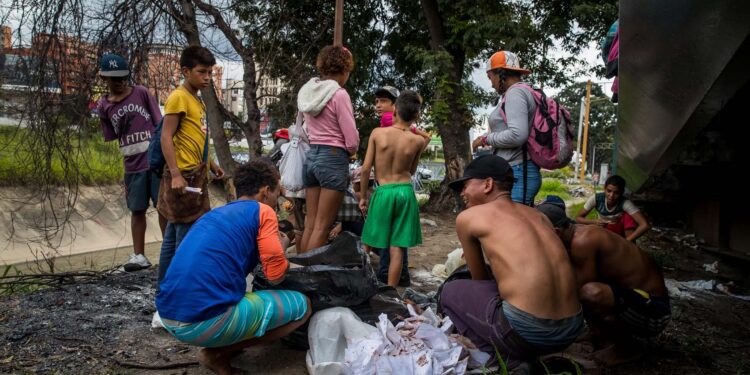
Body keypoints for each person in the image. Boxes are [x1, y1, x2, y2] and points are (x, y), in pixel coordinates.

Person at [156, 160, 310, 375]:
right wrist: (282, 247)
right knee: (303, 307)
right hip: (200, 323)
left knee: (241, 294)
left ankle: (222, 339)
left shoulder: (213, 215)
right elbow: (275, 276)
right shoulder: (264, 212)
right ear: (266, 192)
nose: (278, 199)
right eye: (277, 192)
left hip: (167, 314)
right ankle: (218, 353)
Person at [440, 155, 583, 369]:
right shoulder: (539, 216)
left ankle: (504, 360)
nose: (462, 193)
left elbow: (480, 281)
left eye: (465, 185)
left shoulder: (469, 217)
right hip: (572, 328)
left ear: (488, 184)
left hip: (528, 332)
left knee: (450, 292)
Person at [536, 197, 670, 365]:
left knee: (589, 292)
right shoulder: (573, 236)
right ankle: (597, 334)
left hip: (654, 312)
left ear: (555, 232)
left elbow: (576, 290)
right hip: (633, 301)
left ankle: (628, 348)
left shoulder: (583, 241)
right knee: (581, 286)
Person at [157, 46, 224, 289]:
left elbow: (196, 138)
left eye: (210, 72)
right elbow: (166, 137)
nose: (207, 77)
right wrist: (175, 174)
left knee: (175, 234)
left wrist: (212, 165)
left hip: (195, 174)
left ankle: (165, 290)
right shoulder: (178, 97)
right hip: (183, 177)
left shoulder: (196, 100)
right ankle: (176, 291)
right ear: (186, 71)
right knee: (185, 239)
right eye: (201, 72)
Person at [96, 53, 166, 271]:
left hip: (154, 162)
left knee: (163, 208)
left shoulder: (142, 93)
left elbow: (160, 125)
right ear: (104, 78)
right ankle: (139, 255)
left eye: (122, 78)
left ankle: (169, 252)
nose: (119, 82)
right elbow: (112, 136)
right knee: (137, 210)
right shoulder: (103, 106)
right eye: (113, 79)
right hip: (132, 166)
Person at [359, 90, 426, 288]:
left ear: (395, 109)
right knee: (397, 246)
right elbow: (412, 170)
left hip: (383, 191)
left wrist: (363, 197)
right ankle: (391, 292)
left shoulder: (378, 134)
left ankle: (360, 282)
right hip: (405, 191)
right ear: (416, 115)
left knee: (368, 241)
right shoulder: (417, 141)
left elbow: (365, 169)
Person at [297, 45, 359, 252]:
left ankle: (299, 270)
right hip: (332, 159)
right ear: (345, 70)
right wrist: (351, 151)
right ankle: (307, 274)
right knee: (323, 226)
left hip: (311, 157)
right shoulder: (339, 94)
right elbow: (351, 140)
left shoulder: (307, 92)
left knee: (311, 223)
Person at [471, 51, 540, 205]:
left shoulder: (516, 93)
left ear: (500, 74)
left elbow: (518, 135)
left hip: (519, 172)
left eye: (490, 78)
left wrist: (485, 139)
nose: (491, 84)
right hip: (517, 171)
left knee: (511, 227)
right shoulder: (521, 92)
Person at [576, 175, 651, 242]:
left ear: (622, 192)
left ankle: (630, 247)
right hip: (603, 229)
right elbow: (578, 218)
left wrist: (627, 241)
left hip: (620, 233)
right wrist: (594, 222)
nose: (611, 195)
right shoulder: (596, 198)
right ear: (604, 189)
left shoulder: (625, 203)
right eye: (609, 191)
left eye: (616, 193)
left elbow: (645, 225)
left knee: (628, 216)